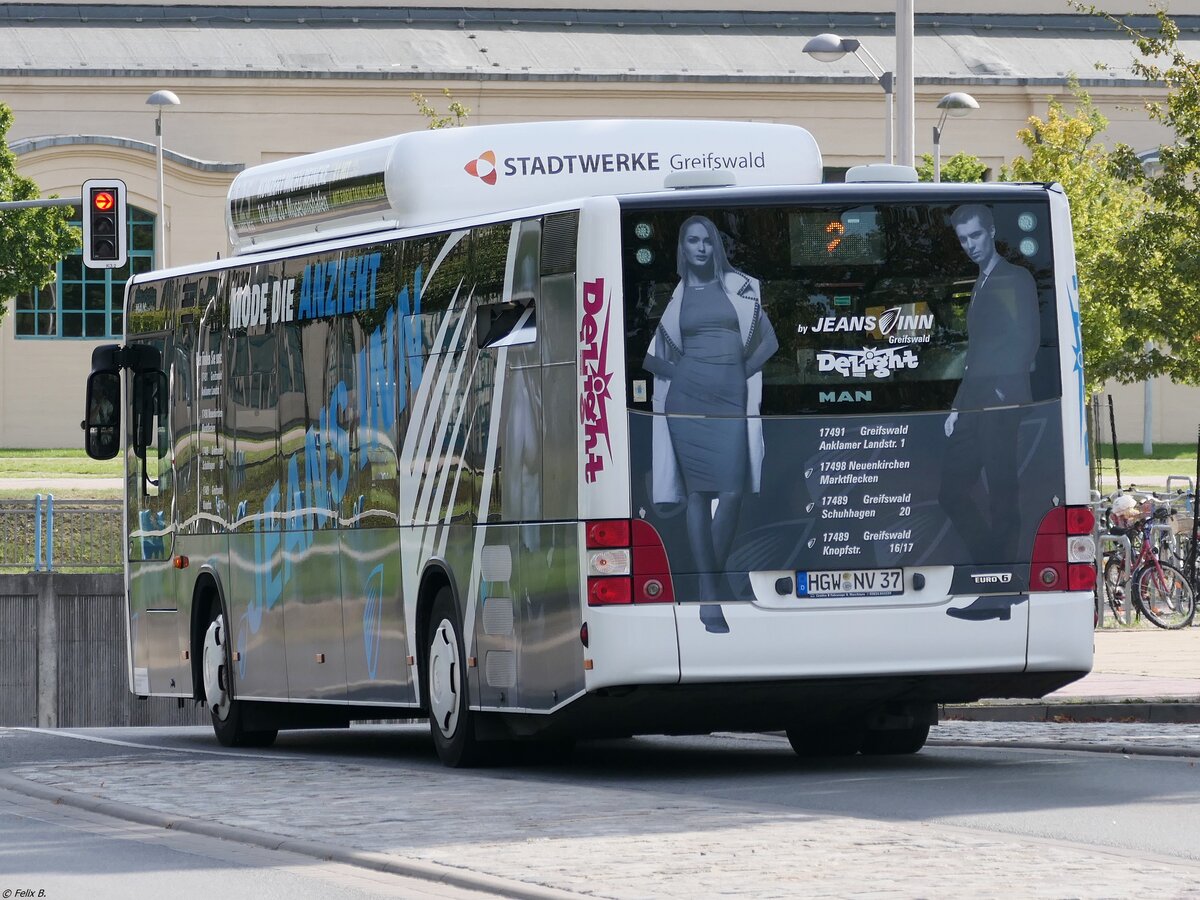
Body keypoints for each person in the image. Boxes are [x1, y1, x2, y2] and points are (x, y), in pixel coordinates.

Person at [643, 215, 778, 633]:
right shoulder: (677, 296)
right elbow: (651, 358)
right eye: (691, 241)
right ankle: (710, 595)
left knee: (733, 493)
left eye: (706, 241)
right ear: (683, 249)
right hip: (687, 402)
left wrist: (739, 371)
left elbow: (769, 343)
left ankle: (707, 584)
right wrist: (684, 372)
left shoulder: (739, 285)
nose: (700, 248)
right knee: (698, 493)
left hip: (730, 401)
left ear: (714, 246)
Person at [939, 204, 1039, 563]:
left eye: (976, 235)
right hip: (974, 401)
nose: (970, 245)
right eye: (963, 239)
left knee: (1001, 491)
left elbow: (1026, 338)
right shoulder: (979, 282)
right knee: (951, 491)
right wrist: (956, 406)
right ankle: (990, 564)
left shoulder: (1014, 278)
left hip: (1000, 401)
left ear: (992, 232)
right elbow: (977, 353)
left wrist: (1000, 391)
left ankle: (1001, 586)